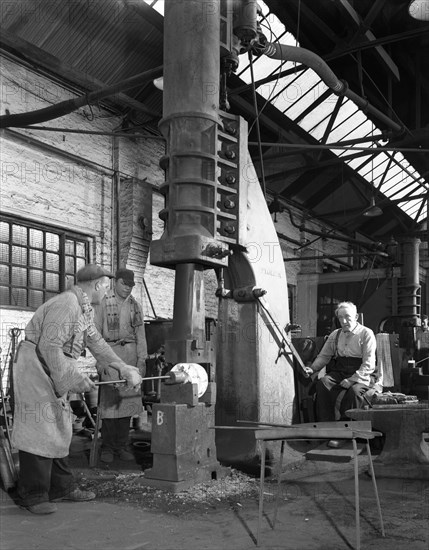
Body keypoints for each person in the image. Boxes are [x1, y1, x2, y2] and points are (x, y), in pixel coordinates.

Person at [11, 264, 143, 515]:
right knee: (40, 427)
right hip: (35, 366)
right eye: (106, 287)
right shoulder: (67, 304)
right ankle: (33, 495)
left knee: (59, 425)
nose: (107, 292)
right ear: (96, 285)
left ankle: (60, 487)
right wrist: (74, 377)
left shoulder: (83, 309)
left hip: (49, 366)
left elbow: (97, 343)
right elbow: (50, 347)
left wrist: (123, 367)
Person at [303, 301, 378, 445]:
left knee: (354, 392)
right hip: (341, 371)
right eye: (340, 318)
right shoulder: (335, 334)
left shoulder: (366, 333)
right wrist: (312, 368)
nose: (344, 321)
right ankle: (327, 428)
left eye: (347, 317)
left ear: (355, 316)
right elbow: (324, 356)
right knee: (323, 384)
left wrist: (352, 380)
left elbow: (369, 364)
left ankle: (346, 434)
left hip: (363, 374)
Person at [93, 268, 148, 463]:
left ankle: (122, 445)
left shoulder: (136, 306)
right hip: (110, 354)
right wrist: (101, 362)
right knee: (109, 404)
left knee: (127, 402)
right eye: (124, 284)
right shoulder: (102, 302)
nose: (127, 289)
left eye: (131, 286)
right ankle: (107, 446)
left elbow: (141, 336)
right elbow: (95, 334)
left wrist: (142, 360)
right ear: (116, 282)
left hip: (130, 355)